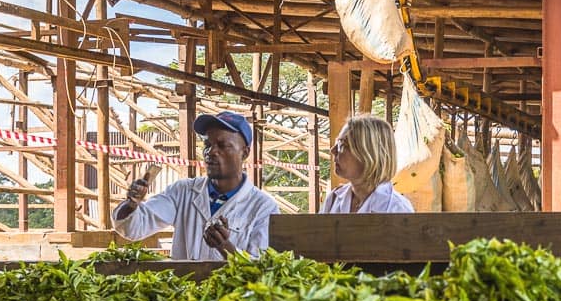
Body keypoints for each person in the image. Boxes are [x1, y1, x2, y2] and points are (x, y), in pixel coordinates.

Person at [113, 110, 280, 260]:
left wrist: (226, 248)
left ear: (244, 152)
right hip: (184, 293)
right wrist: (131, 205)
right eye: (207, 145)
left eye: (222, 145)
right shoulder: (182, 192)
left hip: (233, 295)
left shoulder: (263, 207)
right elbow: (133, 229)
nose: (211, 152)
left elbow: (263, 270)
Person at [321, 115, 414, 214]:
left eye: (342, 145)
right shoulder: (333, 200)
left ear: (368, 154)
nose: (333, 150)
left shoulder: (397, 209)